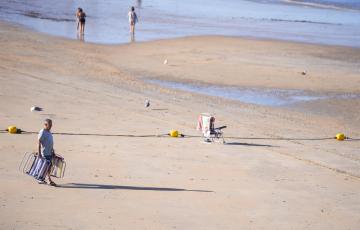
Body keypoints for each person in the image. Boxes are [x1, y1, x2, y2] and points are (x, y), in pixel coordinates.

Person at [37, 119, 57, 186]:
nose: (51, 126)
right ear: (45, 125)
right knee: (47, 166)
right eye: (50, 125)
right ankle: (47, 179)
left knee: (49, 166)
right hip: (45, 152)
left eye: (51, 125)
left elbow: (50, 142)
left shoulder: (49, 132)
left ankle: (43, 179)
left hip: (49, 152)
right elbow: (39, 143)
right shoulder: (43, 132)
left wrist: (53, 150)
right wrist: (39, 153)